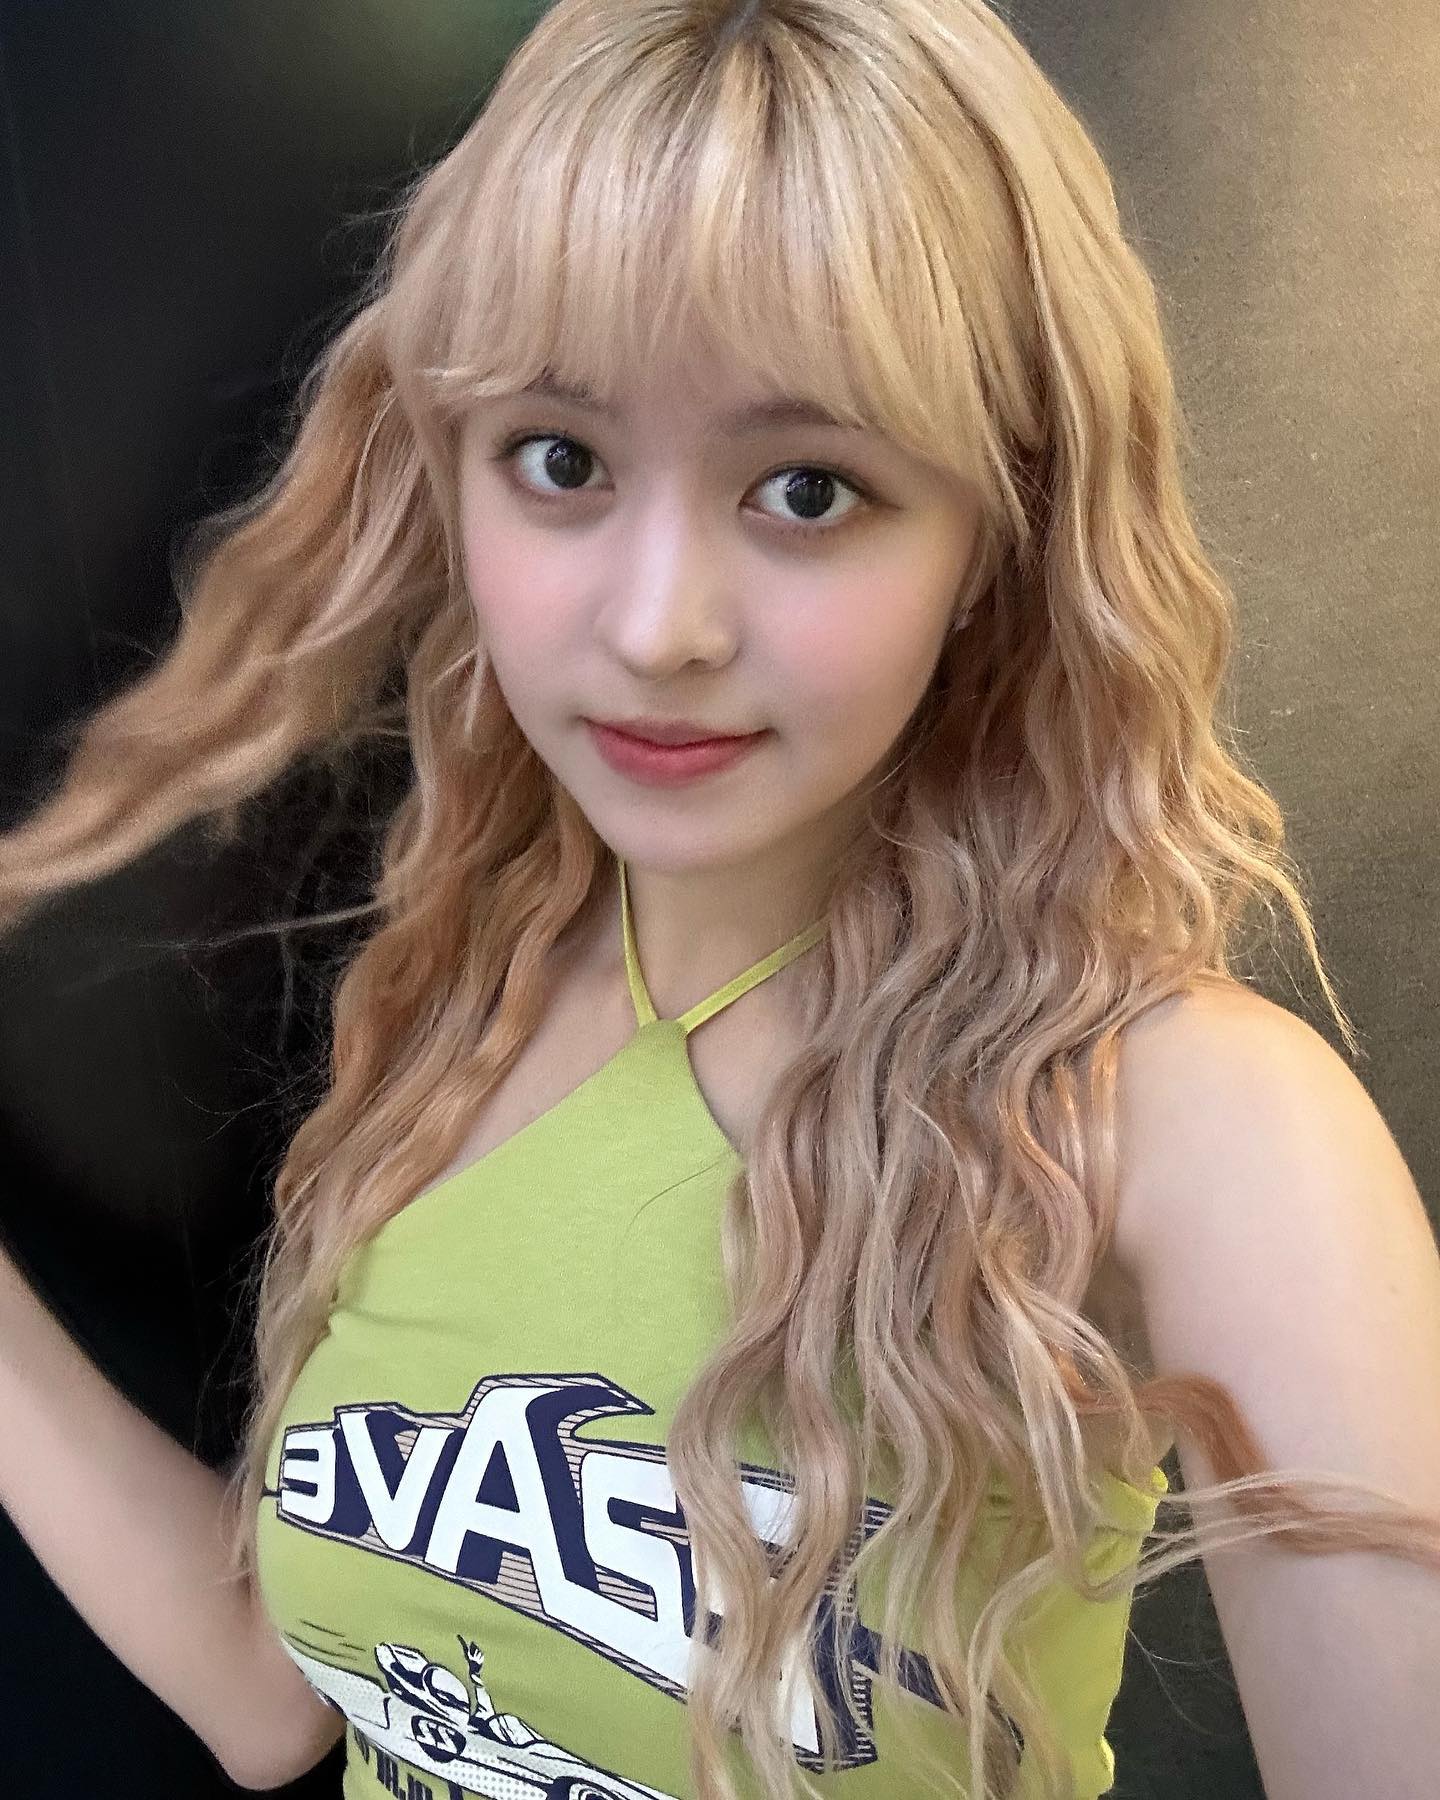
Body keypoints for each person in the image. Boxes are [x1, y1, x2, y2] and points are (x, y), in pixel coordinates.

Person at [1, 0, 1438, 1795]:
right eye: (561, 459)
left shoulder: (1184, 1125)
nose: (657, 625)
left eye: (808, 488)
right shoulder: (461, 1013)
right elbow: (279, 1698)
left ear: (996, 535)